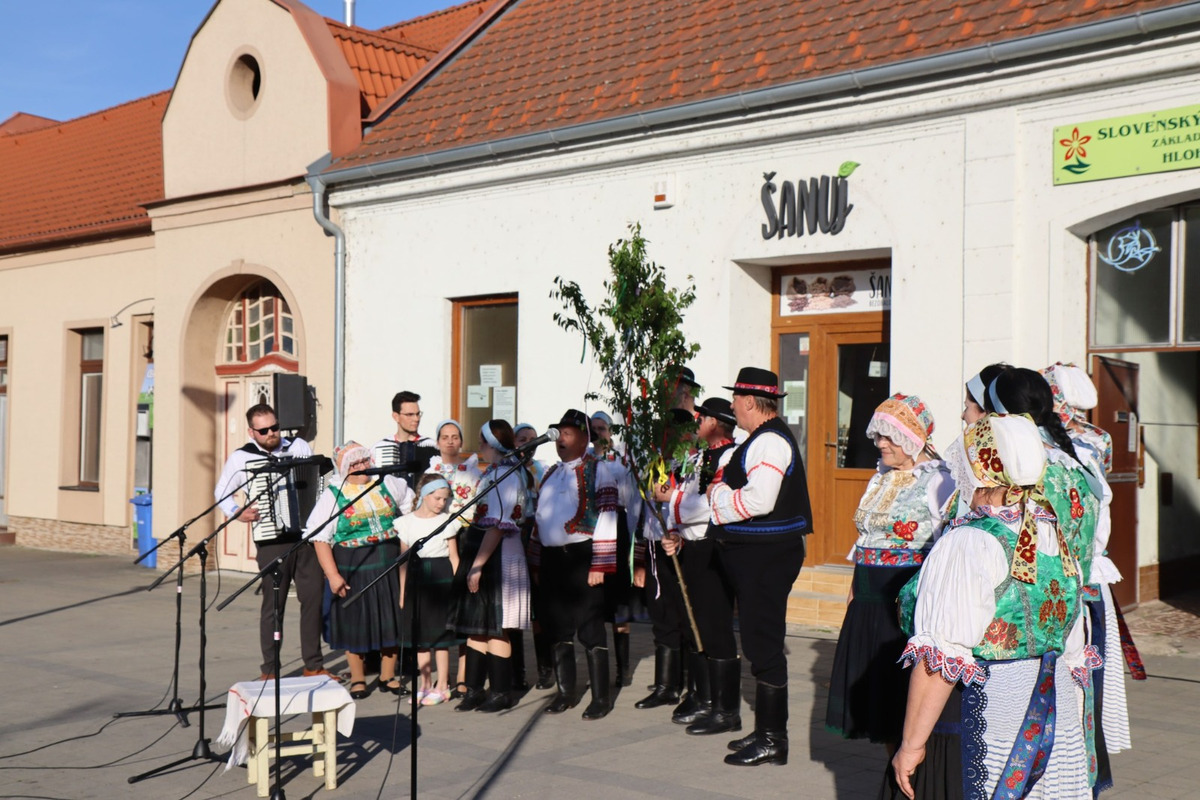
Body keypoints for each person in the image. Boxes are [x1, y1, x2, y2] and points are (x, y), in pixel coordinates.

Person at [887, 413, 1096, 800]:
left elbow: (940, 661)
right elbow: (1074, 646)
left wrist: (911, 746)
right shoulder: (1053, 532)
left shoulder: (970, 541)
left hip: (991, 709)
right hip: (1054, 709)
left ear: (982, 469)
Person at [825, 394, 953, 750]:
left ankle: (907, 766)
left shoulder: (938, 481)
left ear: (913, 438)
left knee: (900, 700)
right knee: (877, 705)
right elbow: (865, 538)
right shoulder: (879, 478)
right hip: (867, 600)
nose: (880, 443)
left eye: (890, 437)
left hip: (901, 602)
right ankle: (890, 766)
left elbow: (946, 547)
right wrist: (853, 594)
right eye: (878, 436)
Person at [704, 367, 813, 766]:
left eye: (735, 399)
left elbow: (759, 501)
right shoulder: (761, 439)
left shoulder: (769, 442)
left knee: (764, 643)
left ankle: (773, 739)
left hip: (767, 558)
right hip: (759, 556)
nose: (732, 405)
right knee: (757, 640)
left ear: (749, 402)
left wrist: (717, 498)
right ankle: (766, 731)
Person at [1042, 362, 1133, 780]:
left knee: (1072, 670)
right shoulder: (1099, 439)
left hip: (1069, 570)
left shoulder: (1058, 444)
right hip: (1086, 568)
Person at [213, 403, 329, 681]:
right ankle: (270, 670)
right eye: (263, 430)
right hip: (271, 539)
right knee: (273, 606)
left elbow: (315, 480)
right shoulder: (242, 458)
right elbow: (221, 492)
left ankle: (313, 666)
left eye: (274, 427)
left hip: (306, 536)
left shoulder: (298, 446)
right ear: (252, 432)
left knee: (313, 599)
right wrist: (238, 512)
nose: (271, 434)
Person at [528, 409, 622, 719]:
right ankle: (566, 693)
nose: (561, 439)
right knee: (557, 627)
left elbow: (608, 515)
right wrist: (537, 562)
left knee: (590, 626)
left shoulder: (599, 469)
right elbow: (540, 519)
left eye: (567, 433)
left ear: (584, 438)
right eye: (559, 433)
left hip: (582, 557)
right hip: (553, 559)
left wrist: (600, 564)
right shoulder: (551, 473)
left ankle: (601, 698)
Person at [308, 442, 414, 699]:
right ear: (344, 469)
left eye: (364, 461)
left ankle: (388, 676)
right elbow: (320, 538)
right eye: (354, 464)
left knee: (390, 618)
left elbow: (409, 505)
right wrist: (333, 575)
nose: (361, 467)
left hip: (387, 560)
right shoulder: (334, 495)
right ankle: (358, 678)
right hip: (352, 564)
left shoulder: (387, 483)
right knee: (355, 622)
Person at [659, 397, 740, 727]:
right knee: (691, 622)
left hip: (712, 547)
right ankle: (702, 695)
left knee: (714, 624)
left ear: (716, 423)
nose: (697, 424)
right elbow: (681, 495)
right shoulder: (698, 457)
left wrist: (673, 501)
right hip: (689, 545)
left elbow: (709, 503)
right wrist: (674, 532)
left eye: (702, 418)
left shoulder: (731, 456)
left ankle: (726, 708)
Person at [447, 420, 533, 713]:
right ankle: (474, 689)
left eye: (482, 441)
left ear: (492, 444)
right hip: (482, 549)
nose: (479, 446)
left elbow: (498, 525)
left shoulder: (507, 475)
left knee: (496, 627)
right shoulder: (493, 472)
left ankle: (500, 692)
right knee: (477, 626)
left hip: (497, 553)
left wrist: (478, 565)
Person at [395, 474, 462, 706]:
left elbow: (454, 557)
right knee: (420, 636)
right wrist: (403, 592)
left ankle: (443, 684)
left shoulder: (446, 521)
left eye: (445, 499)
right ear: (424, 495)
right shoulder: (406, 523)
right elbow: (403, 561)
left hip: (441, 576)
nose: (441, 503)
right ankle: (424, 683)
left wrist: (457, 587)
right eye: (437, 498)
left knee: (440, 636)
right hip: (416, 578)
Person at [374, 390, 439, 490]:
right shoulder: (380, 447)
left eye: (418, 414)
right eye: (410, 414)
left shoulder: (432, 445)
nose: (416, 419)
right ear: (396, 417)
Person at [425, 419, 483, 526]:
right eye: (445, 438)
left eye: (455, 438)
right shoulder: (430, 472)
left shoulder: (473, 472)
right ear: (438, 443)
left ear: (461, 443)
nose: (450, 442)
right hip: (436, 528)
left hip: (466, 529)